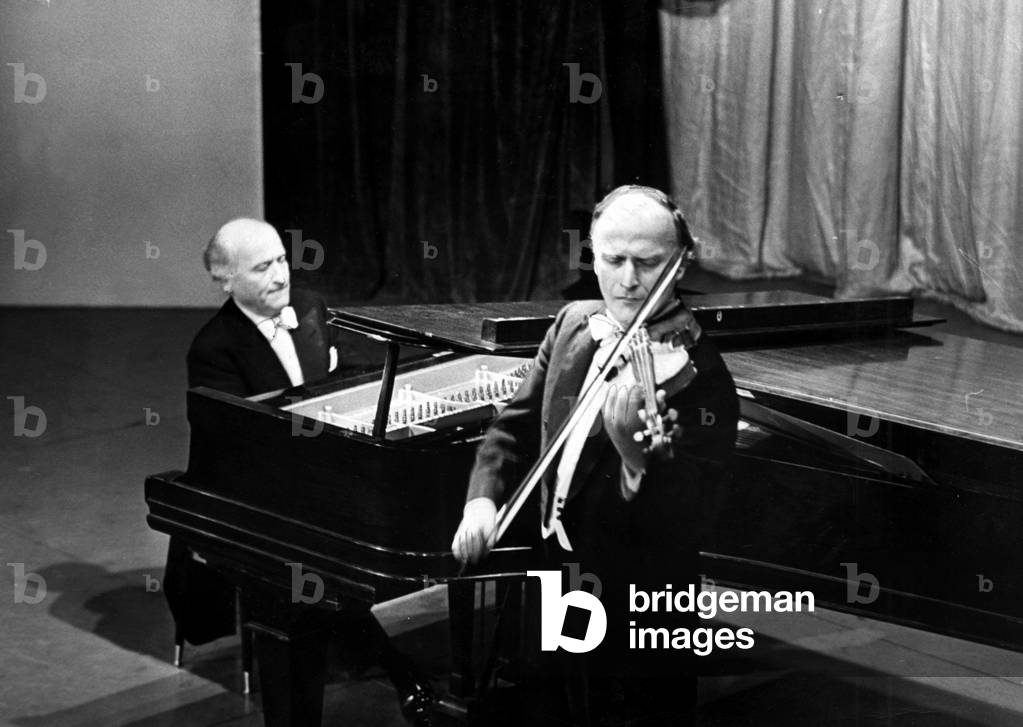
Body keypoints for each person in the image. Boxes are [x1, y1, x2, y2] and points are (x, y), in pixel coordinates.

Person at [452, 187, 739, 725]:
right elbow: (510, 430)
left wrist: (638, 463)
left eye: (648, 263)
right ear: (593, 255)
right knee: (550, 706)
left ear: (679, 265)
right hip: (555, 567)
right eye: (613, 260)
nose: (628, 281)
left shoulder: (702, 374)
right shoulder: (572, 323)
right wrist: (481, 503)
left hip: (639, 596)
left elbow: (694, 515)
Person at [166, 218, 434, 725]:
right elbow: (236, 442)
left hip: (325, 473)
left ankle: (376, 646)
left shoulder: (310, 307)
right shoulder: (213, 348)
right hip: (258, 495)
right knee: (328, 555)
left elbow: (342, 382)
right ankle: (391, 663)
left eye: (282, 260)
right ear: (225, 280)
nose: (280, 274)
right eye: (262, 266)